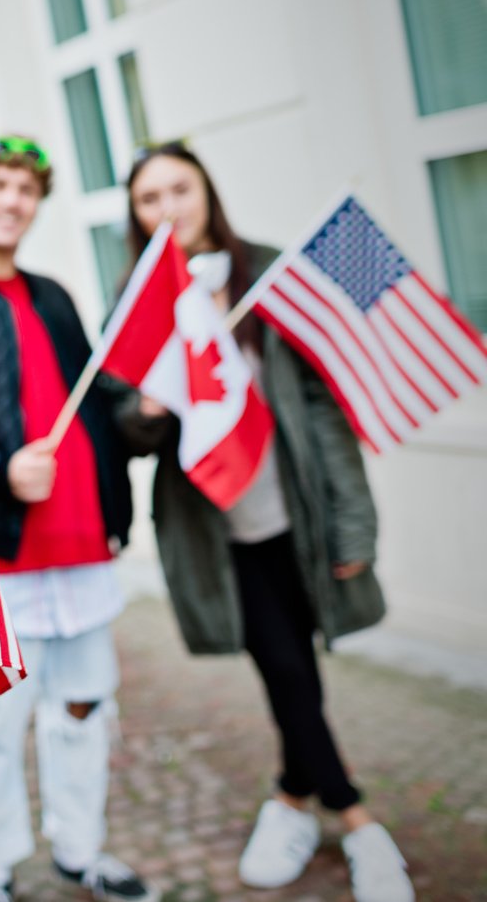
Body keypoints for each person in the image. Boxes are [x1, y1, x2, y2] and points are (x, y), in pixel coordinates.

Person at [120, 142, 412, 902]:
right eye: (149, 199)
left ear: (206, 192)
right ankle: (359, 821)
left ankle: (290, 796)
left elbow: (322, 407)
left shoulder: (272, 272)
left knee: (298, 671)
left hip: (296, 516)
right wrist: (147, 408)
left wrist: (354, 524)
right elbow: (125, 429)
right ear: (135, 215)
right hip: (218, 538)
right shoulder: (137, 302)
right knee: (285, 666)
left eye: (179, 189)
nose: (167, 209)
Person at [0, 136, 150, 902]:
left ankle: (80, 850)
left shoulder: (54, 293)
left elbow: (98, 398)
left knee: (83, 707)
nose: (12, 201)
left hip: (82, 539)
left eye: (26, 190)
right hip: (0, 550)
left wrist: (146, 412)